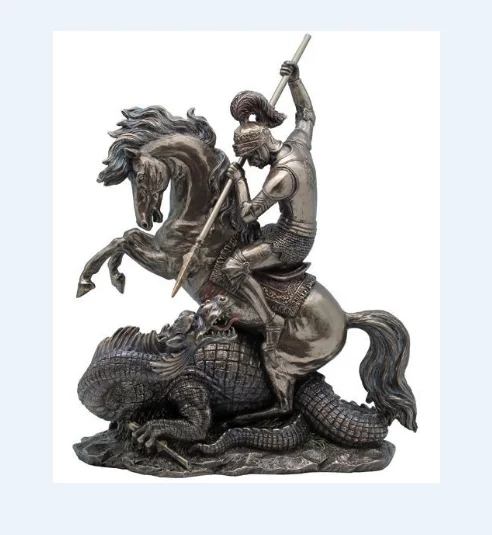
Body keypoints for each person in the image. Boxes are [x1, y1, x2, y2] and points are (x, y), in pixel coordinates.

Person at [222, 60, 317, 418]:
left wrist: (238, 181)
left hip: (291, 240)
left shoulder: (280, 177)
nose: (253, 163)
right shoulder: (297, 144)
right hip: (286, 227)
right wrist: (295, 82)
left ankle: (269, 320)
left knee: (234, 264)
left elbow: (249, 213)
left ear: (261, 146)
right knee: (238, 241)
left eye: (252, 158)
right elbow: (306, 114)